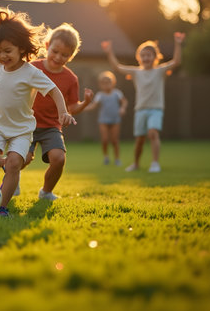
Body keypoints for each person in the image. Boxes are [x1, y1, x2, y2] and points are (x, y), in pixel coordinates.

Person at [0, 7, 76, 217]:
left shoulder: (32, 72)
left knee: (15, 164)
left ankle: (2, 208)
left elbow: (54, 91)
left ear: (21, 48)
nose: (2, 56)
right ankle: (8, 163)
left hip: (22, 129)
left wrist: (62, 112)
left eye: (7, 51)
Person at [24, 23, 94, 200]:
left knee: (59, 159)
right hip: (27, 123)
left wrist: (85, 103)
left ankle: (46, 192)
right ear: (47, 46)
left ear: (71, 56)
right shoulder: (32, 68)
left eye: (65, 55)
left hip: (51, 127)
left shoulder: (71, 79)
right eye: (55, 51)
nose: (58, 57)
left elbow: (72, 108)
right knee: (22, 158)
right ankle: (11, 180)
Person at [101, 32, 185, 172]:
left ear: (155, 57)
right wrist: (109, 51)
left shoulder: (160, 71)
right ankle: (136, 163)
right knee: (139, 140)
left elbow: (176, 61)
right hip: (140, 110)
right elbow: (117, 67)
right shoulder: (136, 72)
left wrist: (177, 43)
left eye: (149, 55)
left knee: (153, 133)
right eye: (143, 55)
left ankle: (155, 163)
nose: (146, 58)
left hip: (156, 109)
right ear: (139, 57)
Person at [85, 71, 127, 166]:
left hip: (115, 120)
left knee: (115, 140)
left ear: (113, 83)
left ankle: (117, 159)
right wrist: (82, 108)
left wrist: (122, 108)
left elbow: (124, 102)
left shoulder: (117, 93)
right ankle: (106, 157)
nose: (106, 84)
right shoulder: (100, 95)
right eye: (103, 83)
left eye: (108, 82)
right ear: (100, 84)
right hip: (103, 120)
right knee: (104, 140)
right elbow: (93, 106)